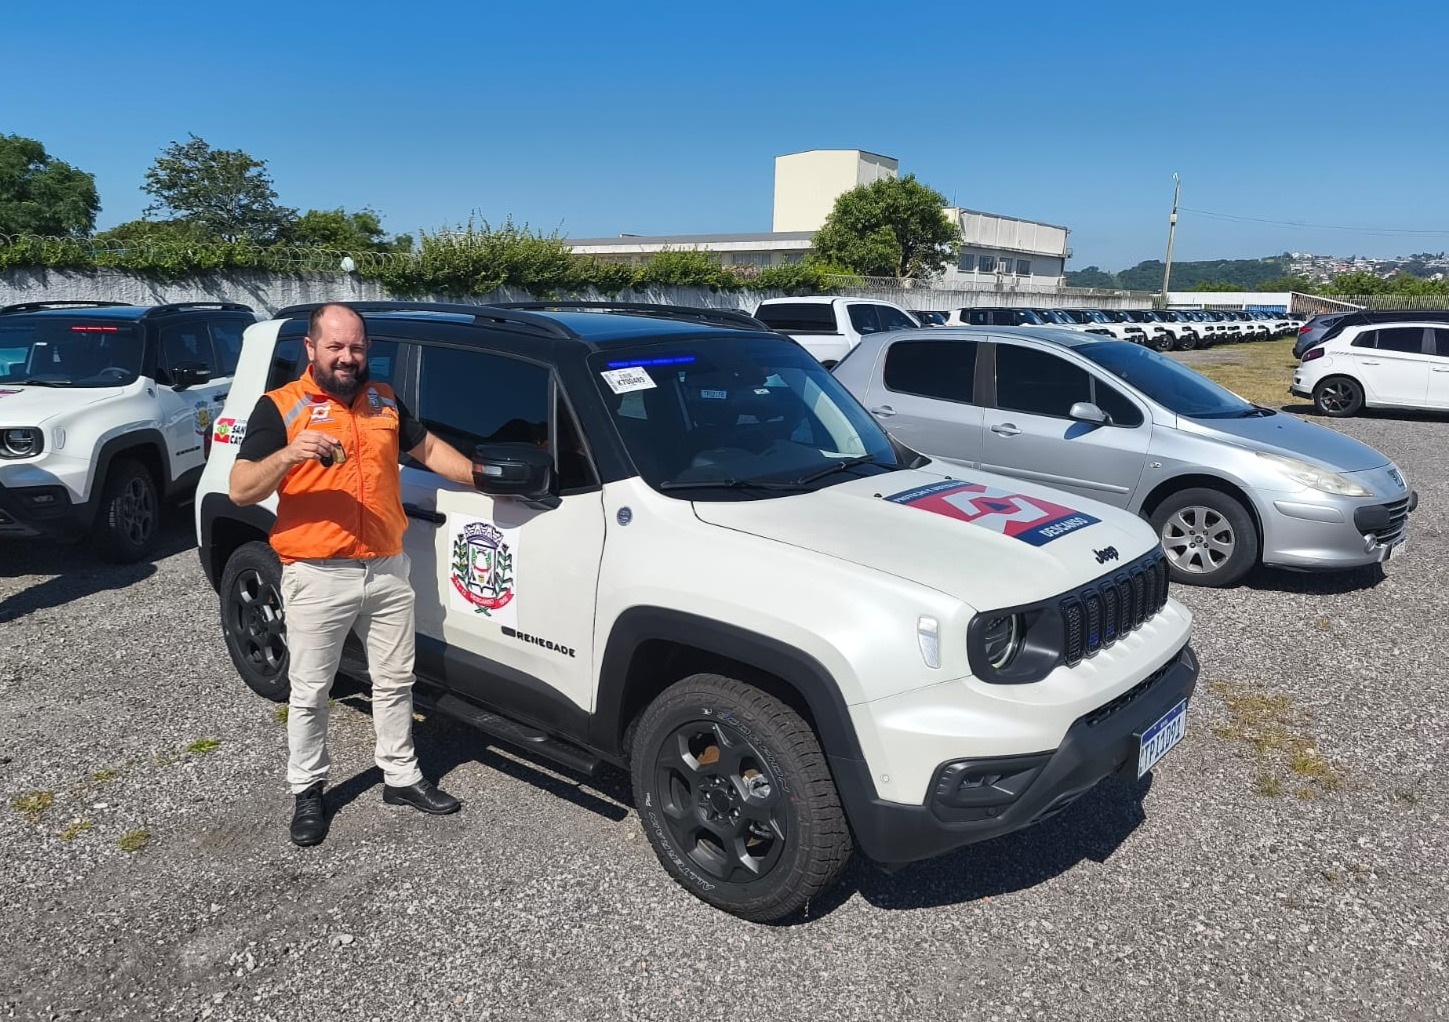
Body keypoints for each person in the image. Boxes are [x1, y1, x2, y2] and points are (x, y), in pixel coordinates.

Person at [229, 303, 476, 847]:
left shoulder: (382, 398)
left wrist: (481, 475)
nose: (347, 357)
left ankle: (400, 776)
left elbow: (428, 448)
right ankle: (308, 790)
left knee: (395, 681)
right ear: (311, 348)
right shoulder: (280, 407)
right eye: (336, 347)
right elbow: (241, 488)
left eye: (357, 347)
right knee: (311, 690)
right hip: (318, 574)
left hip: (386, 567)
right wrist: (290, 454)